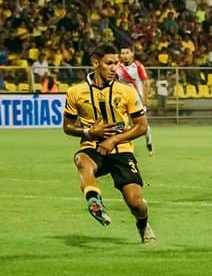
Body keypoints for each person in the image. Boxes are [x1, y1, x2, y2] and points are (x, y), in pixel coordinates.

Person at [62, 45, 156, 244]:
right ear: (95, 63)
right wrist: (89, 132)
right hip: (92, 147)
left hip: (121, 150)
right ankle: (94, 202)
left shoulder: (127, 91)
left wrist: (113, 139)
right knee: (82, 160)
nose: (114, 68)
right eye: (109, 63)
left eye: (116, 64)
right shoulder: (75, 92)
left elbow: (141, 126)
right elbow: (67, 127)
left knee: (135, 203)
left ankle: (143, 224)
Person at [116, 45, 154, 155]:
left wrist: (146, 99)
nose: (124, 55)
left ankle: (149, 143)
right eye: (122, 53)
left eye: (127, 53)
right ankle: (122, 147)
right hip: (123, 100)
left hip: (137, 99)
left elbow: (146, 82)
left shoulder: (138, 66)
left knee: (142, 125)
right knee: (120, 123)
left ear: (132, 54)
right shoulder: (117, 67)